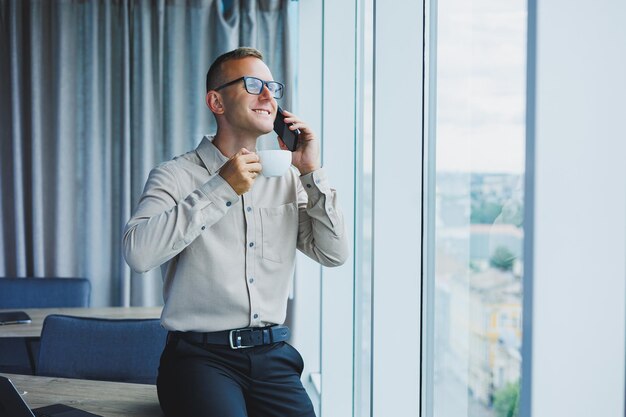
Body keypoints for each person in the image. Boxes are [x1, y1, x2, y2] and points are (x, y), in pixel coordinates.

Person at [122, 47, 349, 417]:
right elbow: (138, 254)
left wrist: (312, 172)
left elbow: (334, 254)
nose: (268, 96)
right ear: (217, 101)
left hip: (274, 357)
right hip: (199, 360)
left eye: (272, 88)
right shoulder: (175, 175)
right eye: (253, 84)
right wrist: (222, 187)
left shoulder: (289, 179)